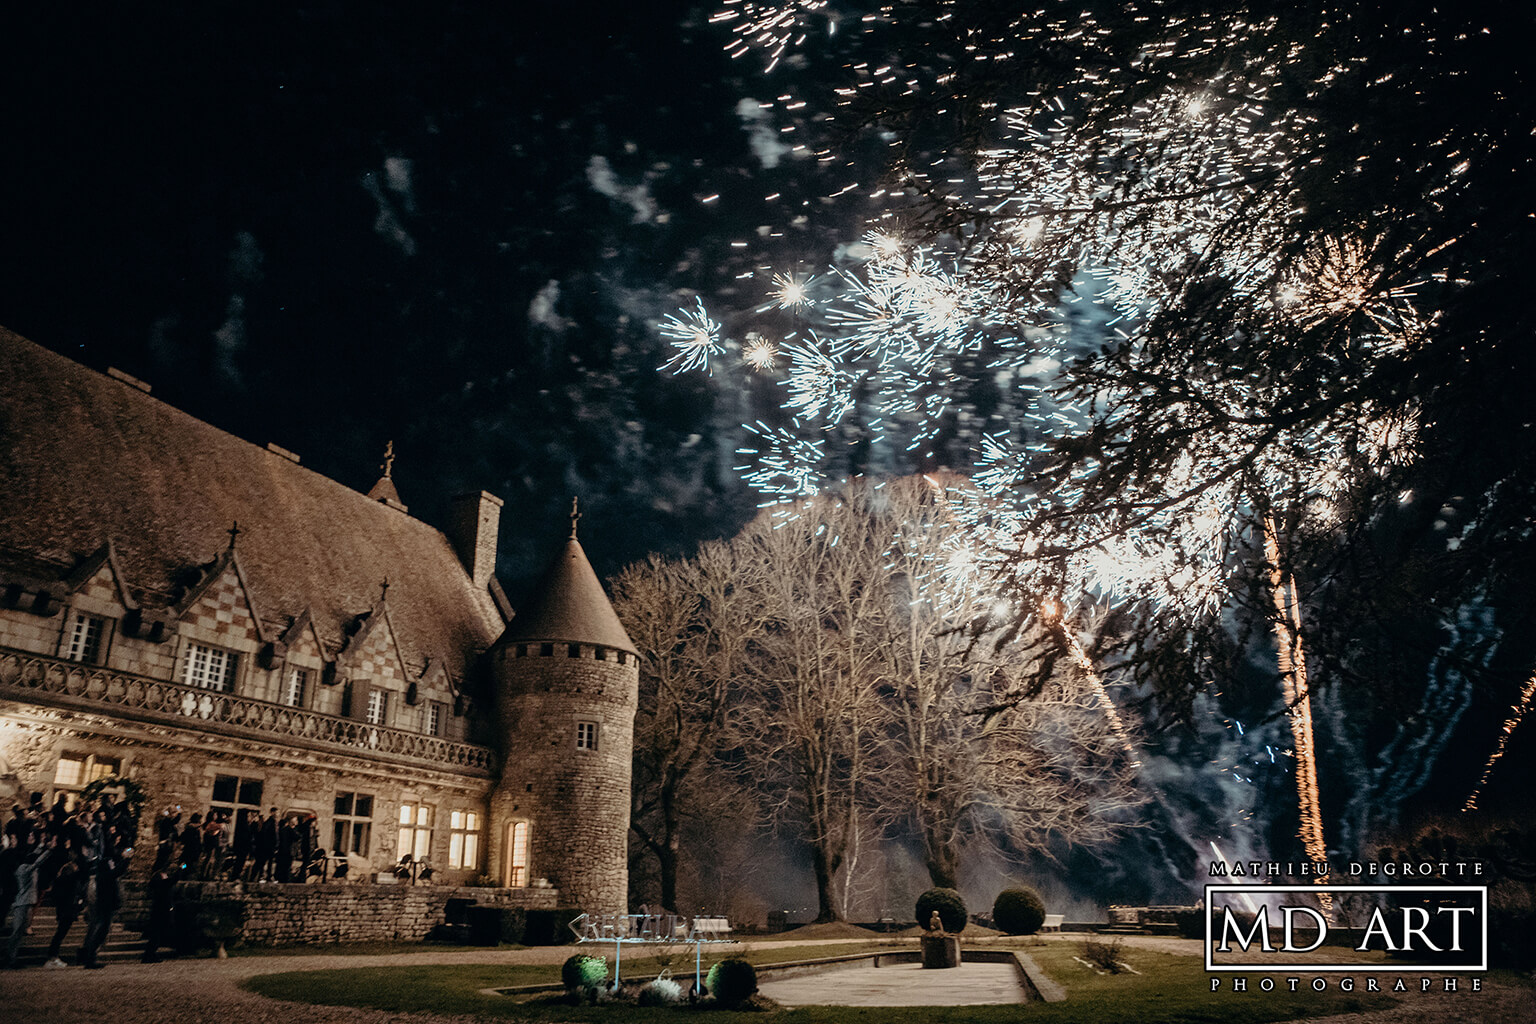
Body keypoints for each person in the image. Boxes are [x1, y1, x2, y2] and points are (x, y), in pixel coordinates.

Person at [78, 826, 130, 969]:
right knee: (101, 930)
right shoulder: (105, 869)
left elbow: (116, 871)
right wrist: (126, 859)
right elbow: (115, 872)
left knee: (103, 929)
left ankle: (91, 957)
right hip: (105, 902)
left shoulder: (106, 868)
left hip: (107, 901)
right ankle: (89, 958)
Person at [43, 845, 87, 968]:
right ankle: (52, 956)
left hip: (66, 908)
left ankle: (53, 956)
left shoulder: (64, 873)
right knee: (60, 933)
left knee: (61, 933)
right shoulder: (69, 874)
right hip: (66, 909)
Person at [5, 842, 44, 967]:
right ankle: (10, 957)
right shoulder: (23, 869)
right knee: (17, 931)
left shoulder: (27, 868)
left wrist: (41, 845)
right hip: (21, 903)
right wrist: (49, 851)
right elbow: (37, 861)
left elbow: (35, 858)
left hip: (25, 903)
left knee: (19, 931)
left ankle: (12, 957)